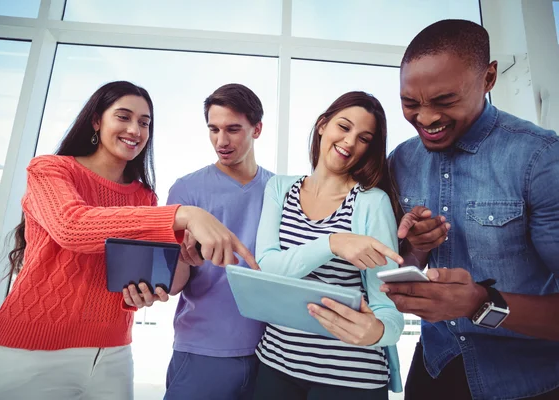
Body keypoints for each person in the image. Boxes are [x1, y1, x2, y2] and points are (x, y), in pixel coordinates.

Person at [0, 81, 256, 400]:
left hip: (113, 355)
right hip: (31, 353)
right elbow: (73, 227)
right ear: (97, 121)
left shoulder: (144, 196)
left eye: (144, 122)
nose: (135, 129)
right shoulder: (51, 170)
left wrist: (175, 266)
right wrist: (185, 215)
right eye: (123, 117)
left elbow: (155, 282)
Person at [384, 19, 559, 400]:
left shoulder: (541, 159)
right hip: (436, 367)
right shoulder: (400, 161)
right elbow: (395, 265)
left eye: (445, 101)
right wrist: (415, 249)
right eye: (410, 103)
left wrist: (482, 303)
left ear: (490, 77)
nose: (426, 118)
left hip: (530, 382)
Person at [123, 83, 274, 399]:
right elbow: (173, 284)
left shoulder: (281, 191)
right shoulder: (186, 191)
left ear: (257, 129)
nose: (221, 141)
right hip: (202, 350)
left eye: (233, 129)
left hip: (270, 352)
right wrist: (183, 257)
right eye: (214, 129)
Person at [252, 91, 404, 400]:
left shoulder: (372, 203)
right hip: (276, 365)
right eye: (344, 127)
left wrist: (377, 332)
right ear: (323, 125)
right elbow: (267, 268)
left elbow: (387, 305)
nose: (349, 142)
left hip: (351, 376)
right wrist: (333, 243)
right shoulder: (279, 188)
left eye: (364, 138)